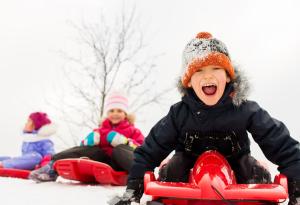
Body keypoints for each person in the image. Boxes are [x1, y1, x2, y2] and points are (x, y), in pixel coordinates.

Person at [111, 32, 300, 205]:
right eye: (198, 71)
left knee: (253, 172)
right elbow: (149, 150)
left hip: (235, 166)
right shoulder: (179, 113)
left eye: (216, 68)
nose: (208, 75)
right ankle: (168, 198)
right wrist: (133, 188)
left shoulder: (245, 109)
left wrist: (296, 182)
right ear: (189, 82)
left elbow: (281, 144)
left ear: (227, 77)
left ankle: (259, 200)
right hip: (188, 169)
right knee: (172, 170)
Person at [29, 91, 144, 182]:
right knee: (91, 150)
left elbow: (141, 149)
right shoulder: (100, 130)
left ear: (125, 113)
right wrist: (87, 142)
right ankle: (51, 168)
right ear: (107, 113)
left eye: (119, 110)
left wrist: (124, 141)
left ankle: (142, 175)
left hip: (121, 163)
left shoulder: (133, 131)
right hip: (103, 163)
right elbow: (81, 149)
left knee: (118, 150)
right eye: (111, 110)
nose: (115, 113)